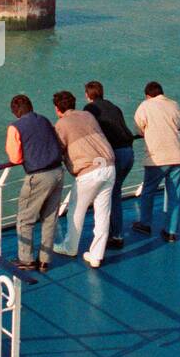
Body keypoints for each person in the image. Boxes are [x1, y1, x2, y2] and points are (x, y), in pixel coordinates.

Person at [52, 90, 116, 268]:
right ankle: (96, 255)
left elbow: (57, 149)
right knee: (103, 213)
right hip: (109, 166)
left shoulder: (61, 124)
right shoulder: (88, 115)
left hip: (89, 171)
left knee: (75, 211)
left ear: (57, 109)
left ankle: (70, 247)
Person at [4, 94, 64, 272]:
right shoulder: (44, 120)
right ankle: (45, 260)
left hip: (38, 175)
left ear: (15, 112)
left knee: (25, 219)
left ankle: (26, 259)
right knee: (49, 218)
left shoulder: (15, 127)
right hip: (58, 171)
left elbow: (15, 158)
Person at [83, 81, 136, 250]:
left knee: (107, 196)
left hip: (114, 155)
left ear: (87, 95)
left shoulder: (89, 110)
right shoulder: (115, 107)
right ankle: (115, 233)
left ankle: (111, 235)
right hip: (128, 152)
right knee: (114, 193)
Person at [131, 81, 180, 243]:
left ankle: (145, 223)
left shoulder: (145, 106)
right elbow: (179, 122)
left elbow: (138, 128)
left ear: (148, 95)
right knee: (175, 194)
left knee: (148, 190)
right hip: (177, 155)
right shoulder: (173, 104)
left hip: (156, 157)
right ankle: (171, 231)